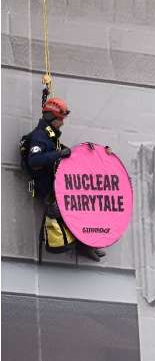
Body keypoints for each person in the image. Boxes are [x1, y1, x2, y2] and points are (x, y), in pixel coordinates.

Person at [24, 97, 106, 262]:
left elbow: (68, 152)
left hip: (56, 187)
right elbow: (34, 160)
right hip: (46, 189)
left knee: (79, 208)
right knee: (71, 212)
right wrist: (58, 155)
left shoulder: (50, 137)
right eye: (60, 119)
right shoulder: (40, 137)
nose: (62, 123)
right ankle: (83, 245)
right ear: (50, 118)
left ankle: (86, 244)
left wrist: (89, 150)